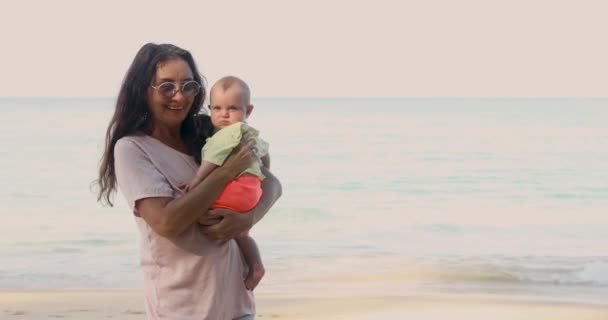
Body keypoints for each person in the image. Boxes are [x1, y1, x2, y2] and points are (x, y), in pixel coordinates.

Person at [96, 43, 282, 320]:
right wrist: (227, 172)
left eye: (188, 86)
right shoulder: (132, 148)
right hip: (183, 309)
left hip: (237, 303)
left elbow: (273, 182)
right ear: (143, 90)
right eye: (167, 87)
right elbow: (166, 222)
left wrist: (248, 218)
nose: (179, 97)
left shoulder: (210, 131)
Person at [180, 76, 268, 291]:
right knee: (240, 231)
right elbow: (265, 155)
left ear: (248, 110)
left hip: (238, 188)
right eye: (217, 108)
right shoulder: (249, 132)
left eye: (232, 108)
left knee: (197, 210)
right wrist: (261, 177)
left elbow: (212, 158)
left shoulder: (226, 134)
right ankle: (255, 265)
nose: (224, 114)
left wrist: (197, 180)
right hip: (251, 189)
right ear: (209, 109)